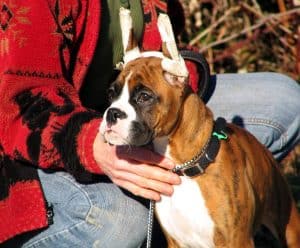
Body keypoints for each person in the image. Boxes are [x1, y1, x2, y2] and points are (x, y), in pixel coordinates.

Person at [0, 0, 299, 247]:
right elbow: (19, 106)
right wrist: (92, 145)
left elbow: (168, 43)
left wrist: (178, 77)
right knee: (116, 221)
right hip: (38, 148)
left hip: (142, 109)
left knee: (285, 101)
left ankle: (192, 216)